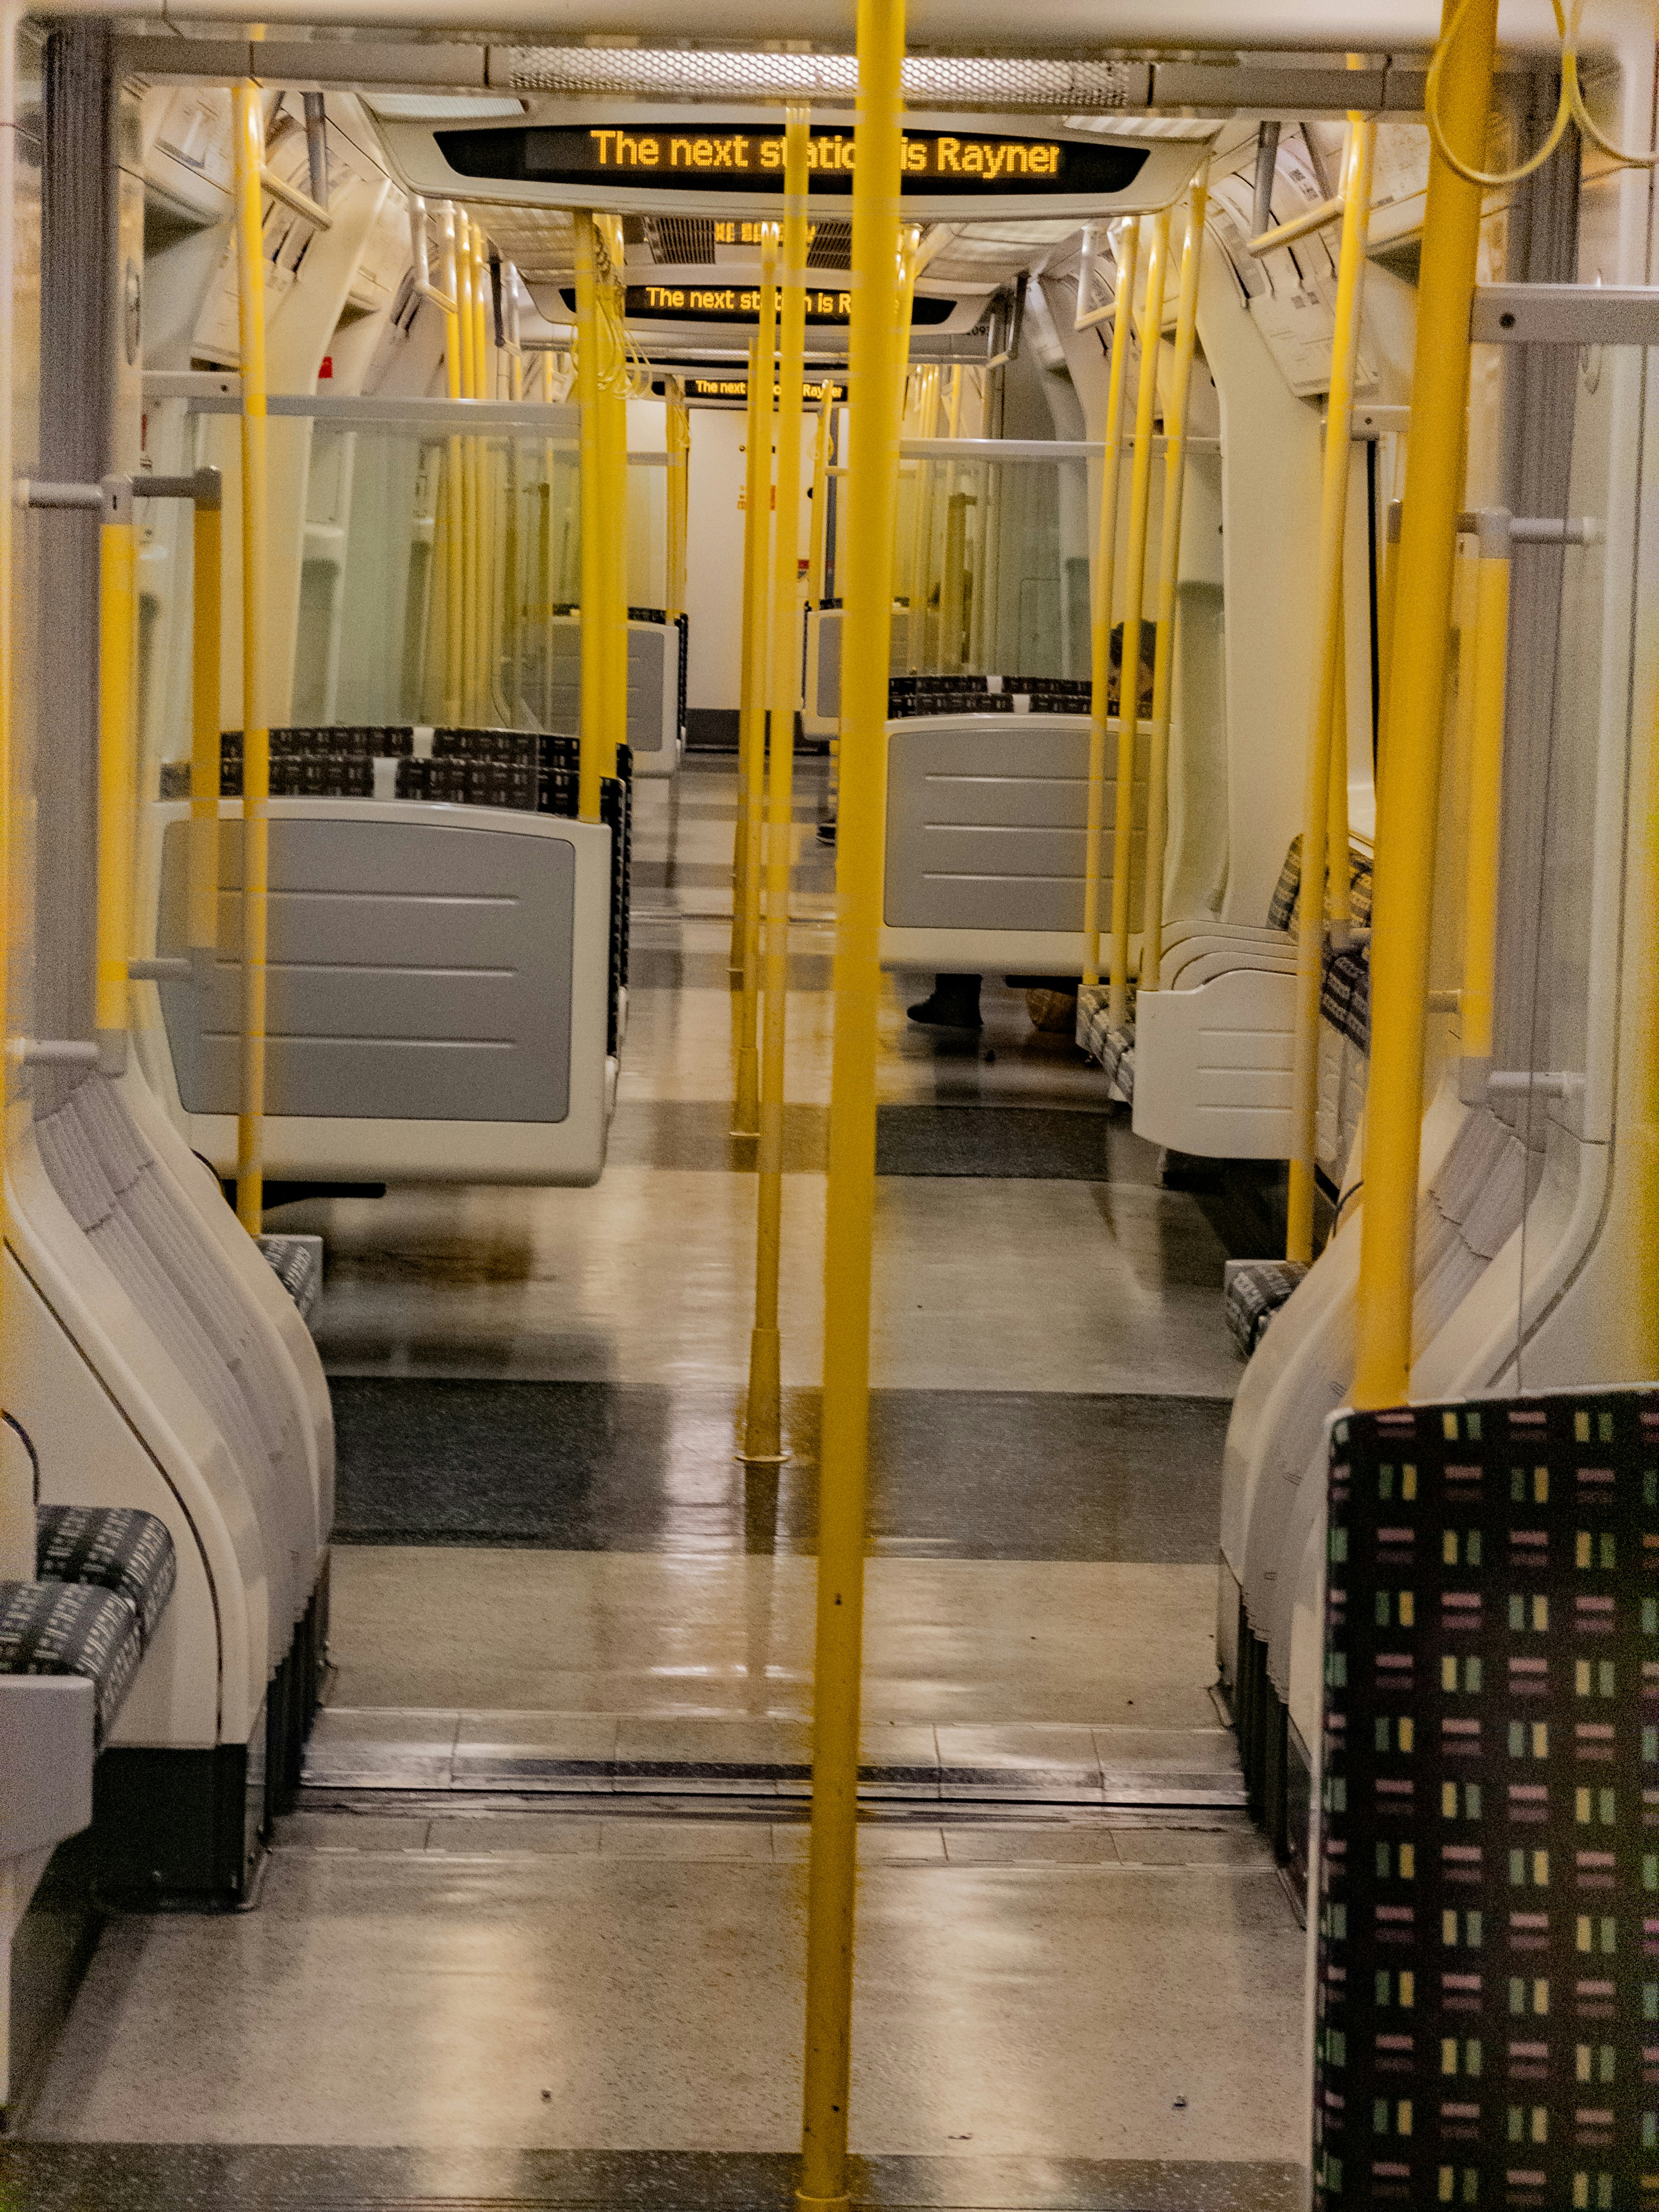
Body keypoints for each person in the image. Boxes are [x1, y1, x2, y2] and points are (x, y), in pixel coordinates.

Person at [906, 626, 1158, 1031]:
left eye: (1113, 677)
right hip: (1103, 898)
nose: (1108, 687)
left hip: (1091, 909)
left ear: (1142, 677)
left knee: (974, 866)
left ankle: (955, 996)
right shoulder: (1161, 738)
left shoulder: (1126, 738)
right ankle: (954, 996)